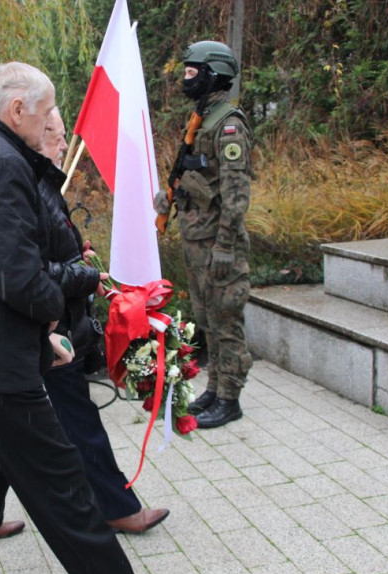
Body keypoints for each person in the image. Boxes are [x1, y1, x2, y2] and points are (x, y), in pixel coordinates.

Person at [0, 61, 183, 574]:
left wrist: (42, 337)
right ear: (17, 110)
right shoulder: (2, 166)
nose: (48, 126)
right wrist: (56, 313)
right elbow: (16, 277)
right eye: (43, 114)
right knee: (58, 476)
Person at [36, 107, 170, 533]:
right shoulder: (33, 188)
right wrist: (86, 275)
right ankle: (117, 507)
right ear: (37, 138)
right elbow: (34, 268)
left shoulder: (43, 186)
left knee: (8, 425)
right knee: (76, 421)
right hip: (49, 328)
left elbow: (52, 249)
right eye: (57, 137)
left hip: (54, 323)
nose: (64, 145)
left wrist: (79, 253)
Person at [154, 40, 253, 429]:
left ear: (213, 74)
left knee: (226, 318)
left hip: (217, 243)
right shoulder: (202, 118)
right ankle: (215, 389)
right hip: (198, 238)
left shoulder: (228, 124)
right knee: (207, 317)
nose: (185, 78)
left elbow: (235, 193)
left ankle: (230, 398)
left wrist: (226, 246)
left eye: (193, 71)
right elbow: (197, 174)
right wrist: (169, 198)